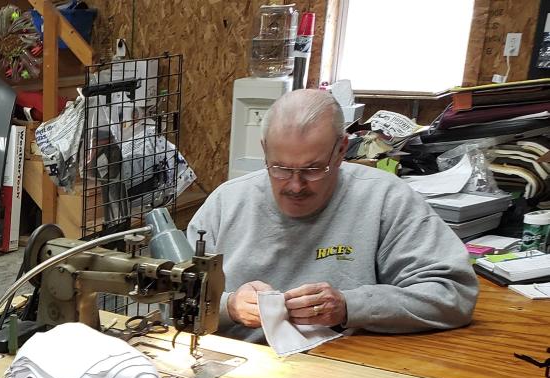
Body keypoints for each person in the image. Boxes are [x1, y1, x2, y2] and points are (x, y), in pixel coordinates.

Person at [188, 88, 478, 343]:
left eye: (313, 169)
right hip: (245, 366)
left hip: (345, 368)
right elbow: (167, 297)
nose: (295, 185)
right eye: (280, 168)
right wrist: (228, 307)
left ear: (341, 150)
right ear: (264, 151)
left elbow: (452, 293)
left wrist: (348, 306)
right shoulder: (226, 203)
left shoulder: (385, 199)